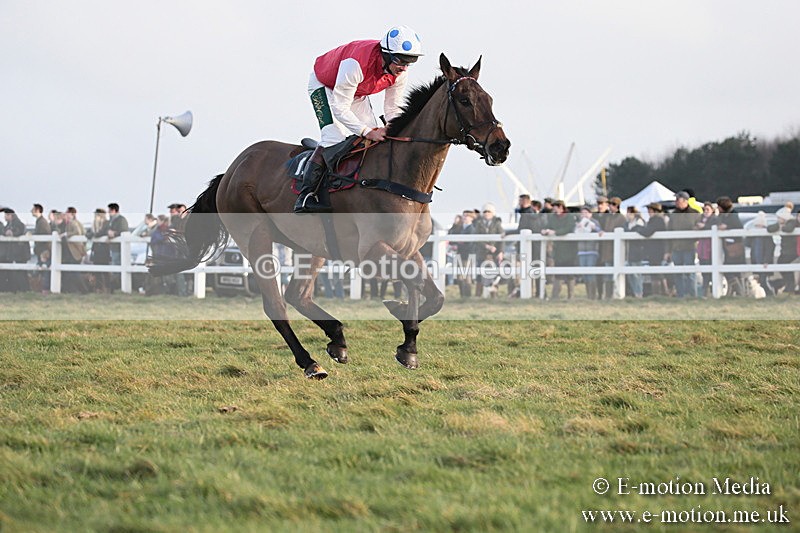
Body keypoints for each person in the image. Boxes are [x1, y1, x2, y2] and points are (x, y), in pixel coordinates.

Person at [294, 25, 424, 213]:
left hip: (355, 92)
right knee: (333, 138)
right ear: (386, 55)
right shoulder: (355, 64)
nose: (403, 68)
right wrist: (367, 131)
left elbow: (392, 108)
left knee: (373, 141)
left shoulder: (400, 73)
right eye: (400, 61)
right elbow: (340, 107)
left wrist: (394, 128)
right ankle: (306, 195)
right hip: (325, 86)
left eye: (410, 62)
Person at [665, 191, 701, 298]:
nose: (676, 202)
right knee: (678, 273)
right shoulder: (673, 215)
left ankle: (692, 295)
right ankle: (680, 295)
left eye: (678, 200)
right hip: (676, 248)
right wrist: (668, 250)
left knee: (690, 273)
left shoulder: (695, 213)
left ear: (685, 201)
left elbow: (699, 231)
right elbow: (669, 232)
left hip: (689, 248)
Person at [541, 200, 576, 299]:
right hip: (558, 249)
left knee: (570, 273)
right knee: (558, 273)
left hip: (569, 249)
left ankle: (571, 296)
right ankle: (555, 295)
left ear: (561, 207)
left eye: (555, 207)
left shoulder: (569, 217)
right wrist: (544, 230)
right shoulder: (552, 217)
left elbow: (569, 228)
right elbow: (548, 226)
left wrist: (556, 232)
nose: (554, 209)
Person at [633, 203, 668, 296]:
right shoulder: (655, 220)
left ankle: (661, 292)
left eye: (650, 210)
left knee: (657, 271)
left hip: (657, 250)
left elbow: (648, 232)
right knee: (656, 271)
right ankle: (659, 292)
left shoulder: (657, 220)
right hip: (654, 250)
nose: (648, 212)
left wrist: (638, 229)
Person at [598, 196, 626, 299]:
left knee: (617, 273)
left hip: (616, 250)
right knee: (607, 273)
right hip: (607, 250)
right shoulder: (608, 217)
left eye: (612, 204)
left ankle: (617, 293)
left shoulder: (621, 218)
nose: (610, 206)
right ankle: (608, 295)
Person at [716, 196, 745, 296]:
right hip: (727, 248)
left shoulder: (733, 215)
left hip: (735, 248)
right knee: (731, 270)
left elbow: (739, 227)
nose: (717, 208)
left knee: (730, 270)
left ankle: (739, 291)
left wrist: (727, 227)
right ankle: (736, 291)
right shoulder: (722, 216)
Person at [768, 203, 797, 295]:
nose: (778, 219)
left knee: (785, 266)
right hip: (784, 251)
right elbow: (769, 229)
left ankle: (790, 287)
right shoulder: (780, 224)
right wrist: (779, 226)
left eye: (779, 217)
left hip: (792, 251)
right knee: (782, 266)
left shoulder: (792, 222)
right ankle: (789, 286)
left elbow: (789, 229)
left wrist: (781, 227)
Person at [574, 206, 603, 299]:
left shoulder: (594, 222)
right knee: (584, 273)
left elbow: (600, 231)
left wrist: (595, 228)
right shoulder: (578, 223)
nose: (584, 215)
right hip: (581, 250)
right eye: (582, 213)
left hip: (592, 250)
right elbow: (574, 232)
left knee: (591, 273)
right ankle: (588, 294)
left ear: (590, 214)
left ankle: (593, 295)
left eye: (586, 213)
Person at [0, 208, 30, 292]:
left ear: (10, 215)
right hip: (15, 253)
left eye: (6, 215)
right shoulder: (9, 225)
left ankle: (23, 289)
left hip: (19, 253)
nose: (4, 217)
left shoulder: (18, 224)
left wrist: (12, 233)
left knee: (20, 273)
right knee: (15, 272)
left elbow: (19, 231)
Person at [694, 201, 720, 297]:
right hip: (702, 247)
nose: (705, 211)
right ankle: (705, 292)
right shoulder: (700, 219)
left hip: (710, 247)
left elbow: (715, 228)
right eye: (704, 209)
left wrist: (704, 226)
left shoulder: (715, 219)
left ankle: (712, 292)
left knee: (711, 270)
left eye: (707, 209)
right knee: (704, 270)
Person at [60, 208, 89, 294]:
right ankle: (73, 290)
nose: (66, 214)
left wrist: (66, 234)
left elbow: (77, 232)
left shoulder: (73, 223)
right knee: (72, 271)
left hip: (75, 251)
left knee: (75, 272)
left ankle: (84, 290)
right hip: (74, 251)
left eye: (67, 213)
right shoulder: (73, 222)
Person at [87, 208, 111, 293]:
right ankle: (98, 288)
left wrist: (94, 234)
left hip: (104, 250)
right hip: (96, 250)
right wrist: (92, 234)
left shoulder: (107, 223)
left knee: (105, 271)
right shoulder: (94, 225)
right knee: (96, 270)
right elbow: (88, 233)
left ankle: (107, 288)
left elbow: (102, 233)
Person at [624, 206, 646, 298]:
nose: (628, 215)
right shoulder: (627, 224)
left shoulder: (639, 222)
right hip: (628, 252)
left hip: (637, 252)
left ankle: (639, 293)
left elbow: (638, 232)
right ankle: (635, 292)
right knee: (630, 274)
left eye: (630, 213)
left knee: (637, 274)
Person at [31, 203, 52, 292]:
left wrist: (45, 251)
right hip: (41, 250)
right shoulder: (40, 221)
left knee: (44, 270)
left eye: (33, 210)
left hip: (43, 251)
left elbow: (45, 236)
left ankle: (45, 289)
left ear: (37, 210)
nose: (31, 211)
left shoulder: (42, 222)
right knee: (42, 269)